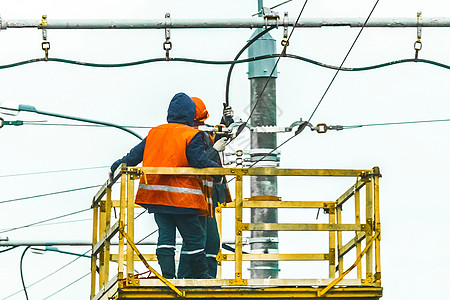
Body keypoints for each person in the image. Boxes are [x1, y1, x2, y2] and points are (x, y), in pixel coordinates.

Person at [110, 92, 221, 279]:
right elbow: (198, 161)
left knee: (166, 238)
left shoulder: (155, 133)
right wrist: (218, 171)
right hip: (184, 200)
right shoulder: (191, 134)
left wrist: (115, 167)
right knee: (195, 239)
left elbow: (133, 157)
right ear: (189, 115)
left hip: (156, 198)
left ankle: (168, 277)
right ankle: (203, 277)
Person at [177, 96, 233, 279]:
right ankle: (189, 277)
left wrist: (224, 123)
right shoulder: (187, 137)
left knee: (209, 242)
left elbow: (209, 141)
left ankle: (206, 278)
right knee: (196, 240)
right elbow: (200, 162)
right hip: (194, 196)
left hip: (205, 198)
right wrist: (216, 149)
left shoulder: (197, 135)